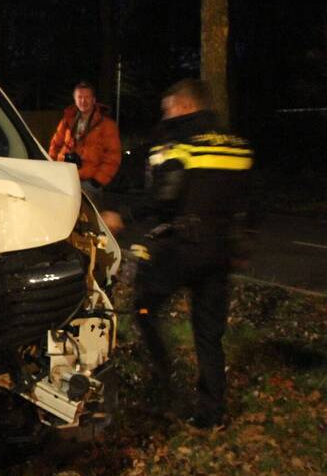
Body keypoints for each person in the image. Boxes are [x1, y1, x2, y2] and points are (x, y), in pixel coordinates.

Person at [132, 79, 253, 429]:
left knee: (143, 307)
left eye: (169, 108)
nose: (166, 115)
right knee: (208, 334)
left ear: (186, 106)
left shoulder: (180, 145)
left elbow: (164, 198)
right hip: (219, 255)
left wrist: (126, 217)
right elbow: (251, 204)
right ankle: (211, 413)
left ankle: (163, 381)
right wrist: (240, 247)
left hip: (181, 250)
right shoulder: (238, 146)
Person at [48, 81, 122, 201]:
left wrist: (98, 180)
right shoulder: (67, 121)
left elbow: (113, 155)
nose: (83, 101)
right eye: (80, 97)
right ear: (75, 100)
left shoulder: (106, 125)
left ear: (94, 100)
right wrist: (54, 169)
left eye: (87, 97)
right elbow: (55, 145)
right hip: (65, 178)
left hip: (89, 183)